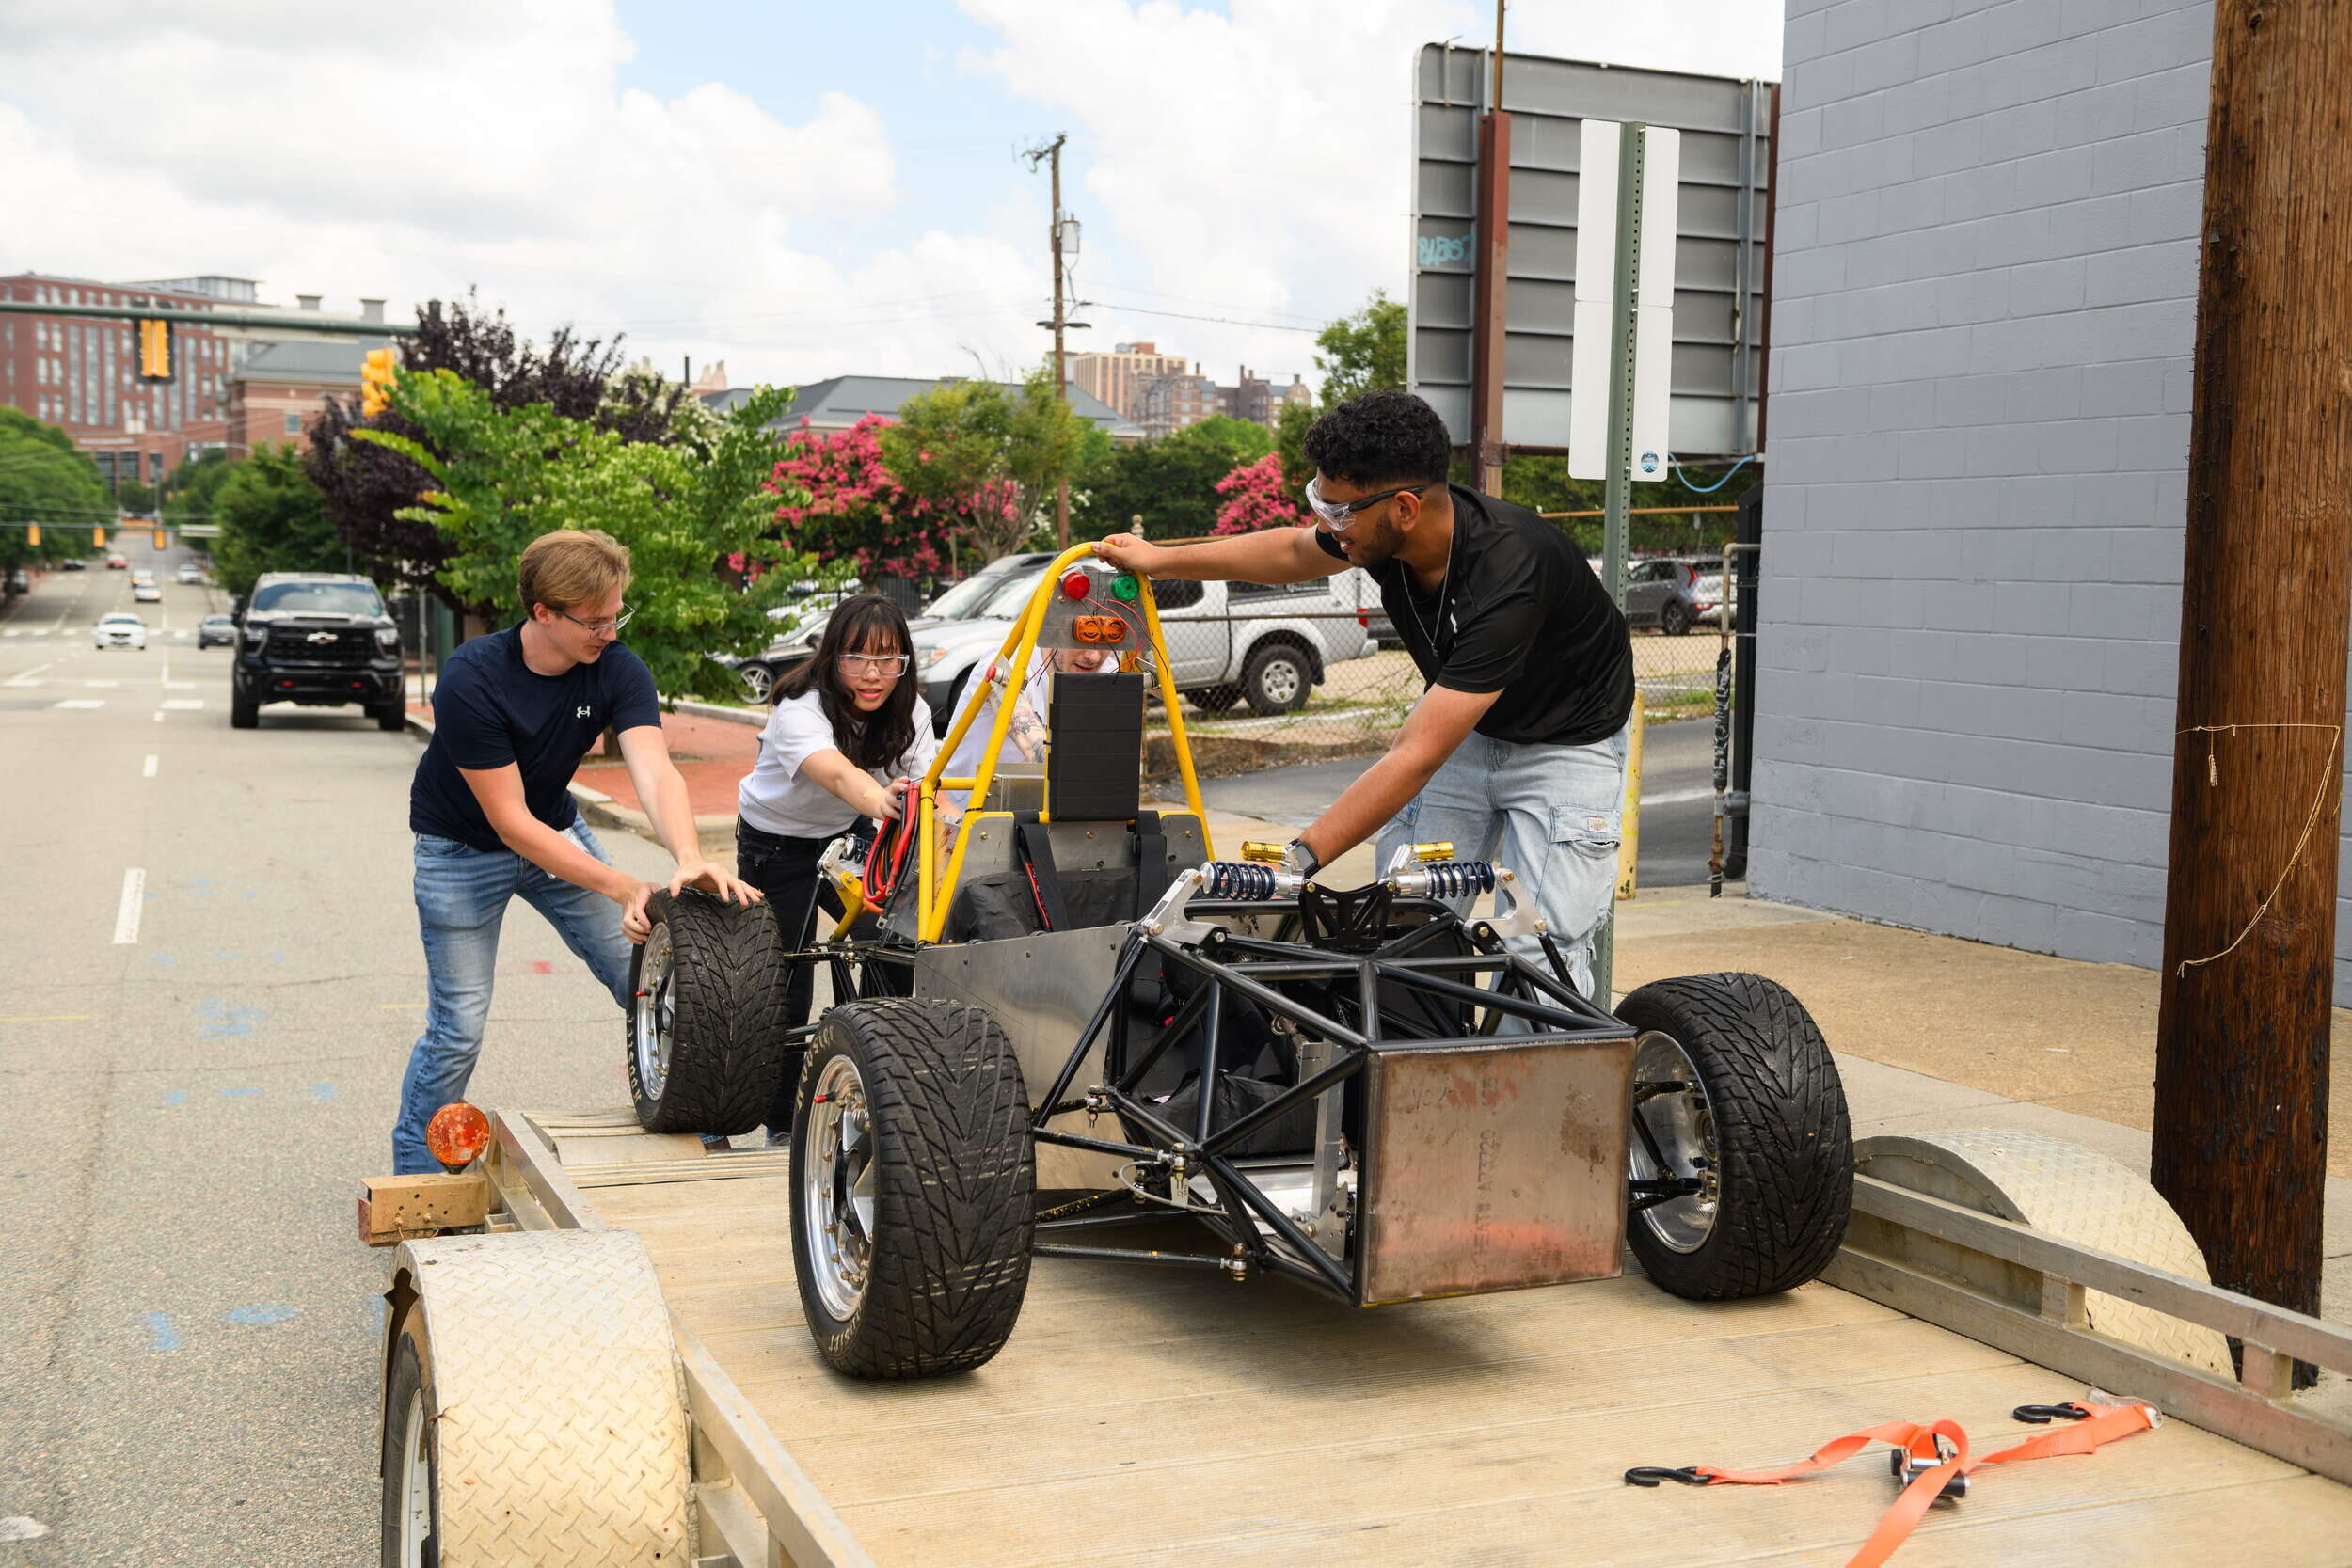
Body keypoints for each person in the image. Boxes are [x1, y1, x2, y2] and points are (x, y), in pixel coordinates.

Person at [1094, 388, 1635, 992]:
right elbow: (1292, 549)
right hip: (1471, 729)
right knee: (1403, 930)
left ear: (1405, 507)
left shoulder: (1509, 574)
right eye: (1321, 502)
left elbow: (1415, 755)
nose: (1330, 524)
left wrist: (1296, 858)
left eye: (1341, 510)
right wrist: (1161, 560)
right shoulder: (1380, 533)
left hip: (1568, 746)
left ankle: (1538, 1081)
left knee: (1538, 953)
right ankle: (1422, 1077)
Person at [394, 529, 761, 1174]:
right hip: (459, 853)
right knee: (458, 1027)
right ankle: (416, 1179)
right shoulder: (471, 678)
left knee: (655, 980)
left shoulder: (617, 666)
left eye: (617, 614)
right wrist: (622, 885)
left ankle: (699, 1130)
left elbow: (654, 770)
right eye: (594, 620)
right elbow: (509, 822)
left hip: (554, 830)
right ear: (543, 612)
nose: (610, 631)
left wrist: (684, 854)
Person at [734, 594, 938, 1141]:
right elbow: (838, 775)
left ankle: (877, 1090)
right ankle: (781, 1122)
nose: (873, 675)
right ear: (831, 657)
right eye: (856, 658)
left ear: (905, 662)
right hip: (776, 844)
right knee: (786, 974)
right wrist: (882, 801)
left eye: (888, 660)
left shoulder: (912, 711)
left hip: (852, 836)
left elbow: (926, 787)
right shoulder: (800, 708)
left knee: (890, 945)